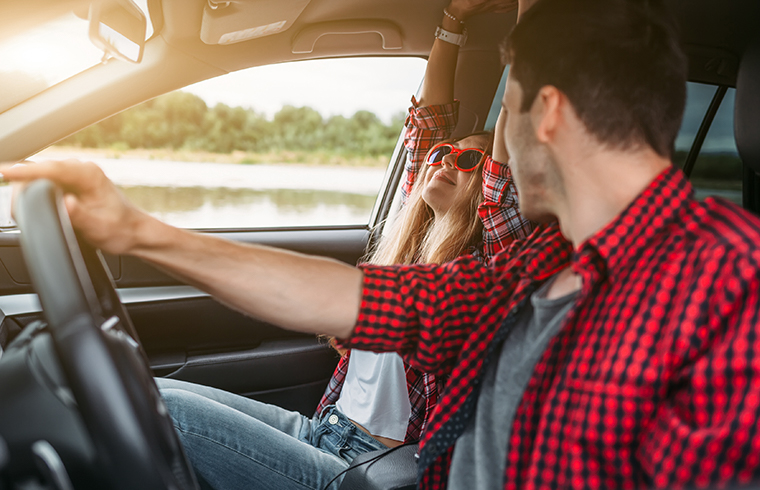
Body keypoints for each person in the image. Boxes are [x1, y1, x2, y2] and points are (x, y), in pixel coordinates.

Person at [5, 0, 760, 488]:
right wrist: (140, 231)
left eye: (512, 101)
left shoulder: (734, 281)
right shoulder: (539, 268)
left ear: (548, 114)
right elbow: (353, 300)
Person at [109, 1, 534, 488]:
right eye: (444, 154)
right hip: (324, 428)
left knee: (167, 412)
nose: (444, 161)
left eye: (468, 162)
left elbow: (508, 139)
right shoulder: (411, 235)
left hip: (370, 467)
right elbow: (427, 126)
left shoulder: (489, 265)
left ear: (490, 187)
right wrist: (453, 19)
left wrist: (530, 16)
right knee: (147, 391)